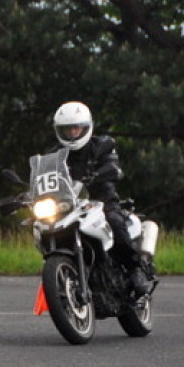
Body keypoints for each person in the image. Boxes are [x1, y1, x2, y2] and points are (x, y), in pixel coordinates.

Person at [50, 101, 149, 296]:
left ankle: (135, 269)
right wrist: (27, 193)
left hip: (102, 201)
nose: (72, 133)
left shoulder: (102, 145)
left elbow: (114, 167)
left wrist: (100, 174)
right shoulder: (54, 155)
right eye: (67, 130)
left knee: (114, 221)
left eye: (76, 128)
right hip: (70, 206)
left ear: (86, 127)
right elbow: (45, 178)